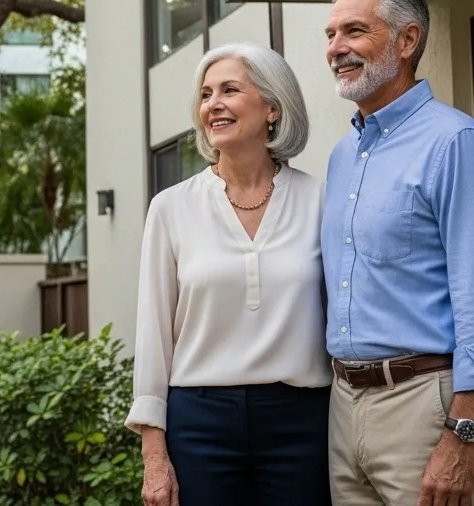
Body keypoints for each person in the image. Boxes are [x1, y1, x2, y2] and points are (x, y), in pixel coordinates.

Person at [320, 0, 474, 506]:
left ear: (407, 40)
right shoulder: (344, 155)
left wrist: (462, 436)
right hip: (345, 408)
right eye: (331, 35)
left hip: (427, 405)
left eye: (354, 32)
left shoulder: (456, 143)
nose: (337, 49)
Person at [127, 42, 333, 506]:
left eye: (229, 90)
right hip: (200, 422)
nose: (212, 104)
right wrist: (153, 455)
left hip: (301, 422)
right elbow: (153, 335)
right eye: (205, 94)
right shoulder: (170, 207)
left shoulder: (321, 199)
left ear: (272, 108)